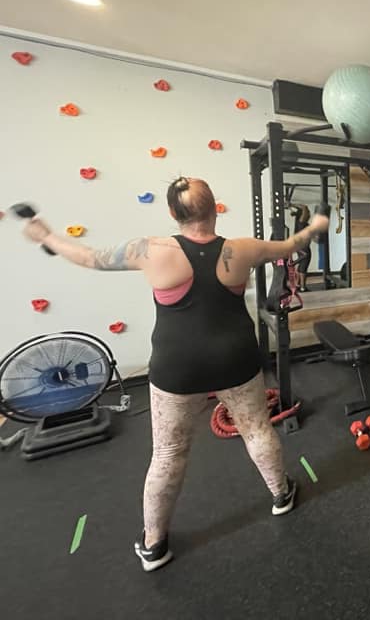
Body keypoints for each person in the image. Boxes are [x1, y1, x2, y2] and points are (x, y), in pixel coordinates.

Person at [20, 177, 329, 572]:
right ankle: (281, 495)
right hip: (236, 359)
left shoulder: (151, 250)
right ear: (215, 207)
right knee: (256, 430)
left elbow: (87, 256)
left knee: (168, 453)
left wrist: (45, 234)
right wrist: (317, 226)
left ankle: (154, 545)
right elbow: (291, 246)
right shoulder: (243, 249)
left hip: (177, 368)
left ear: (172, 214)